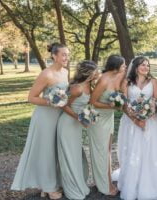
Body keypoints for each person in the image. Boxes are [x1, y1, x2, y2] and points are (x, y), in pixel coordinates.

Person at [11, 42, 69, 199]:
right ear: (54, 56)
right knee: (46, 151)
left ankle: (47, 184)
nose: (66, 57)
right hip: (44, 117)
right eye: (63, 54)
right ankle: (49, 188)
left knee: (55, 150)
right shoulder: (46, 74)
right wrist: (51, 102)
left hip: (59, 117)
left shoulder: (65, 72)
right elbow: (31, 98)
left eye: (67, 54)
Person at [117, 56, 157, 200]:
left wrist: (147, 114)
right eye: (142, 65)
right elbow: (123, 104)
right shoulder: (126, 82)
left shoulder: (153, 81)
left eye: (147, 65)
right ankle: (132, 184)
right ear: (135, 67)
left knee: (150, 151)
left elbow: (156, 101)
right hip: (131, 122)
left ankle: (150, 183)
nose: (146, 67)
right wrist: (135, 119)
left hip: (151, 121)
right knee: (133, 150)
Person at [57, 60, 99, 200]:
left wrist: (87, 117)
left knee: (75, 154)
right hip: (67, 124)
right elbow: (63, 105)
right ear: (89, 73)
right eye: (95, 71)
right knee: (69, 155)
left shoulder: (90, 85)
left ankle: (78, 182)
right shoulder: (77, 88)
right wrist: (78, 117)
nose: (97, 73)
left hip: (76, 125)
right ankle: (72, 187)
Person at [88, 55, 126, 195]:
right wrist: (110, 106)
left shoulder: (118, 76)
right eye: (123, 65)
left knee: (107, 151)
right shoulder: (103, 80)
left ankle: (107, 181)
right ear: (115, 66)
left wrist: (117, 104)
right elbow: (92, 101)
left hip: (108, 117)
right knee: (101, 152)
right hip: (98, 119)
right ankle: (104, 186)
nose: (125, 67)